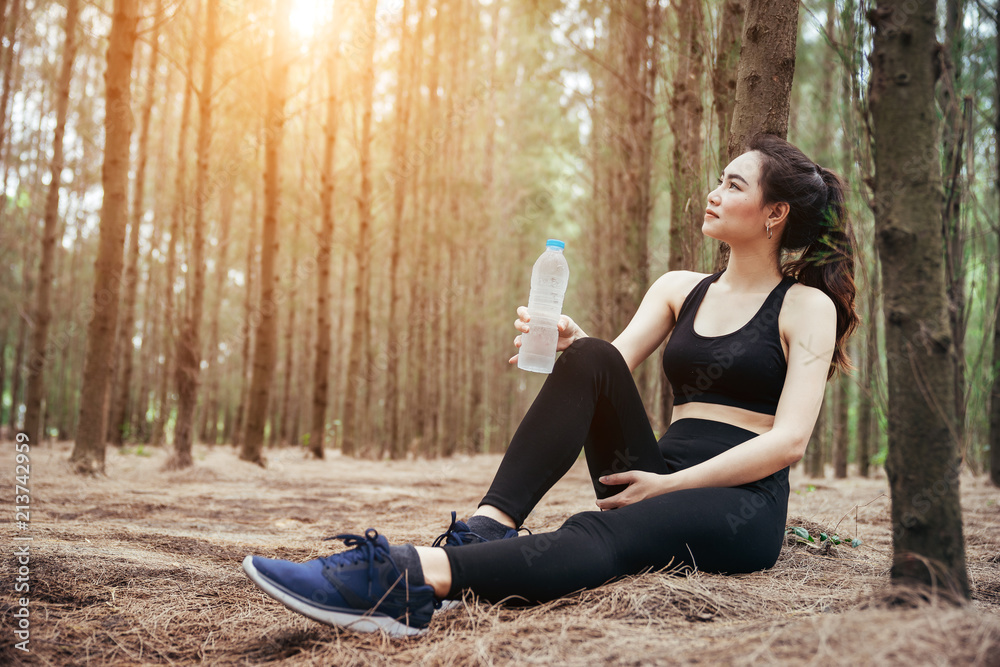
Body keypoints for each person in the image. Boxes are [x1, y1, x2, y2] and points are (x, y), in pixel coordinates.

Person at [241, 134, 859, 637]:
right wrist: (574, 348)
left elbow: (790, 442)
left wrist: (668, 486)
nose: (714, 193)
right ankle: (487, 526)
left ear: (775, 213)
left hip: (739, 502)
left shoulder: (806, 306)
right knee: (588, 354)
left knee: (599, 536)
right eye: (719, 179)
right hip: (654, 469)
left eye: (734, 184)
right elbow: (607, 367)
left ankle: (404, 579)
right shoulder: (678, 288)